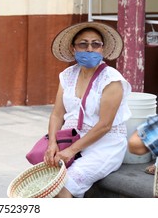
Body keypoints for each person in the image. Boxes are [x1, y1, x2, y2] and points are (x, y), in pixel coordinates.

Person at [44, 22, 132, 198]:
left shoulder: (112, 80)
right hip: (71, 139)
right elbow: (57, 114)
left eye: (96, 44)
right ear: (73, 48)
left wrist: (71, 151)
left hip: (105, 145)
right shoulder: (68, 75)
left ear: (102, 48)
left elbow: (105, 125)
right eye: (83, 44)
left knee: (62, 186)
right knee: (44, 183)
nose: (90, 49)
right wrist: (52, 143)